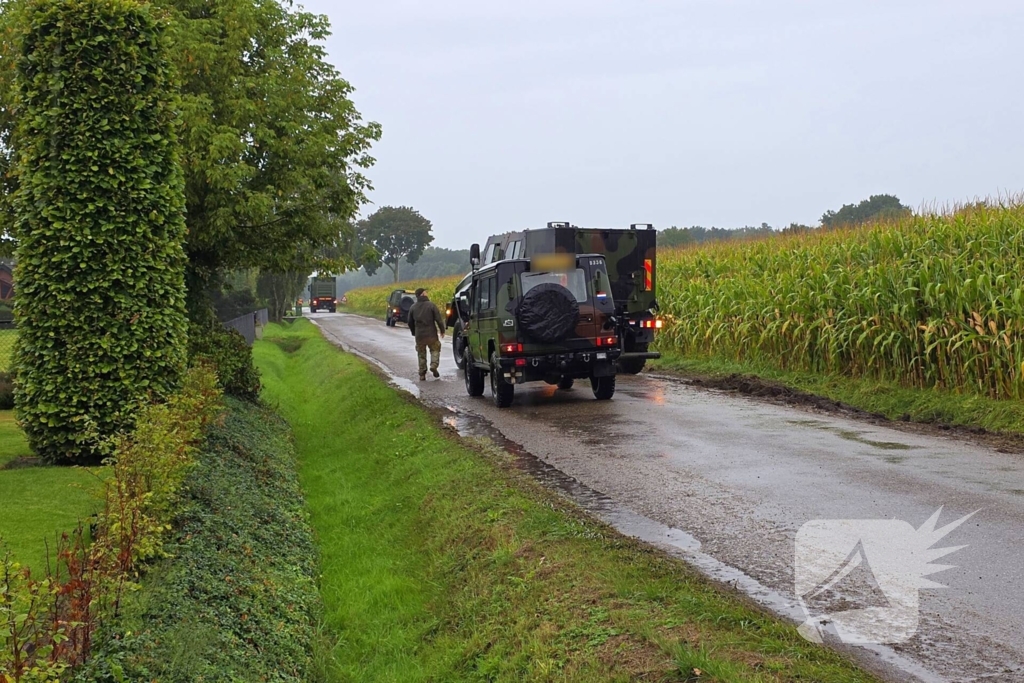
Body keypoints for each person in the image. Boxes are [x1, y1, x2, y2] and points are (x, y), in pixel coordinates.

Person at [408, 287, 446, 381]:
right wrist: (442, 330)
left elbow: (410, 322)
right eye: (425, 292)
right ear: (422, 294)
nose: (426, 293)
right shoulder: (431, 305)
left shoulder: (413, 307)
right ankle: (434, 365)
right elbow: (438, 319)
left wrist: (414, 332)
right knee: (435, 350)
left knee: (421, 354)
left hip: (419, 336)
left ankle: (422, 374)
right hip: (431, 334)